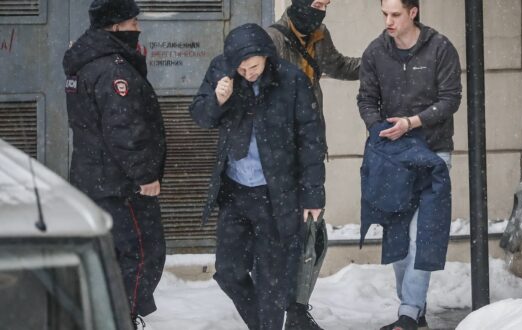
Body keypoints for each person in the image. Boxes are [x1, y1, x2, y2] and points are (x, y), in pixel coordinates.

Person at [188, 23, 326, 330]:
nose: (248, 73)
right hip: (235, 190)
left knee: (271, 280)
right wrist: (217, 100)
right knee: (228, 271)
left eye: (253, 66)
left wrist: (313, 194)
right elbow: (199, 115)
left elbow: (311, 141)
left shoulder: (291, 80)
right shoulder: (222, 71)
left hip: (276, 193)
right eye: (242, 68)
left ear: (266, 56)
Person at [357, 0, 462, 329]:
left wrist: (412, 122)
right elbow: (366, 99)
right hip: (394, 156)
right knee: (399, 239)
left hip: (433, 154)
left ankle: (407, 314)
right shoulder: (375, 52)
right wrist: (380, 131)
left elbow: (450, 99)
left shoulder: (440, 48)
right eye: (384, 14)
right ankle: (414, 310)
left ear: (413, 12)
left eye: (395, 14)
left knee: (422, 237)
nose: (388, 21)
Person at [62, 0, 166, 328]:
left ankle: (107, 316)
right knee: (142, 254)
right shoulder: (113, 68)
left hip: (93, 178)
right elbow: (123, 128)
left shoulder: (84, 62)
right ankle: (122, 320)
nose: (138, 28)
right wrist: (145, 174)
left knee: (111, 256)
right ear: (117, 26)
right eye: (134, 22)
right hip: (120, 183)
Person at [266, 1, 359, 328]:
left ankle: (297, 310)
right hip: (279, 156)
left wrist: (377, 62)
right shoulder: (273, 40)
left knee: (312, 234)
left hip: (309, 149)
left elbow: (338, 66)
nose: (321, 8)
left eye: (326, 3)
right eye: (316, 2)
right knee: (284, 235)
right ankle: (276, 310)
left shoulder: (319, 35)